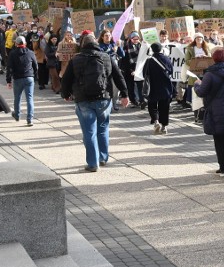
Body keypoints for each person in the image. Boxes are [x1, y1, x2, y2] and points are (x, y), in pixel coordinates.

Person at [61, 34, 129, 172]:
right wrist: (125, 94)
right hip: (104, 99)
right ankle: (103, 158)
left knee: (89, 132)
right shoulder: (106, 57)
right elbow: (118, 76)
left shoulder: (76, 59)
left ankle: (93, 163)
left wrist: (66, 94)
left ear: (82, 45)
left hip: (83, 99)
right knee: (103, 129)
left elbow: (66, 80)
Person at [194, 48, 224, 180]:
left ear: (214, 59)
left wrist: (197, 84)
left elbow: (202, 92)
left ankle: (223, 168)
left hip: (216, 110)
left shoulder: (210, 74)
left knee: (219, 140)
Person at [143, 42, 175, 134]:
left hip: (152, 87)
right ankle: (164, 126)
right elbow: (171, 71)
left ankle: (156, 121)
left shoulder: (149, 60)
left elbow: (144, 73)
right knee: (164, 107)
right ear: (161, 49)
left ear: (152, 50)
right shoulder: (167, 59)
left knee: (152, 105)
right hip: (165, 87)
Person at [5, 36, 37, 126]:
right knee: (29, 98)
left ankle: (17, 115)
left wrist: (8, 80)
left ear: (16, 44)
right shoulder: (30, 53)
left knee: (17, 98)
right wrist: (34, 75)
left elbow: (9, 68)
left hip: (18, 78)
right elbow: (35, 66)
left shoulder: (12, 53)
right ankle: (30, 119)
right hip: (29, 77)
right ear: (25, 43)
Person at [120, 32, 145, 108]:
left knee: (140, 86)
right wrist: (131, 70)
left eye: (137, 39)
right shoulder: (126, 47)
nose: (136, 40)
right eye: (134, 39)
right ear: (131, 39)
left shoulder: (141, 46)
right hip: (129, 69)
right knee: (131, 86)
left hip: (139, 68)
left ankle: (142, 101)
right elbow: (125, 60)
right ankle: (134, 101)